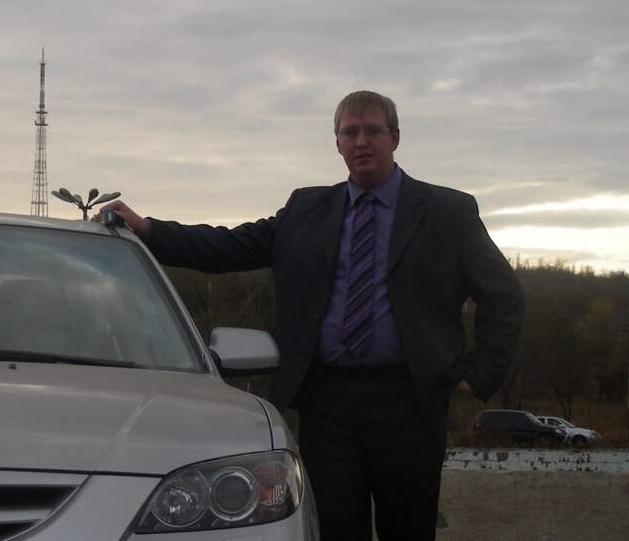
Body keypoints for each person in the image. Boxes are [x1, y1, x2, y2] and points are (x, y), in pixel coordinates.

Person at [101, 90, 523, 541]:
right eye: (350, 133)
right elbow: (228, 246)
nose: (361, 142)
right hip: (328, 404)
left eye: (373, 131)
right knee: (333, 528)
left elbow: (504, 294)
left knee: (408, 530)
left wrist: (479, 371)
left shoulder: (447, 212)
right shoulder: (306, 209)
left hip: (411, 403)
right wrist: (149, 229)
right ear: (337, 143)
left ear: (395, 138)